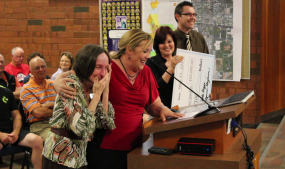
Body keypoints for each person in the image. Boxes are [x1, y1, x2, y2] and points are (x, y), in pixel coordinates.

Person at [54, 29, 184, 169]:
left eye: (149, 51)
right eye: (145, 51)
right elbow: (79, 74)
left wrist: (162, 109)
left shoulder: (146, 72)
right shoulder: (107, 68)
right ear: (129, 49)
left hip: (136, 145)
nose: (148, 56)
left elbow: (153, 103)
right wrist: (57, 81)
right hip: (105, 147)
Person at [42, 44, 115, 169]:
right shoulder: (71, 84)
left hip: (78, 157)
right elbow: (80, 127)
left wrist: (106, 90)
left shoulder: (90, 86)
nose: (103, 73)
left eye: (106, 68)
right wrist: (97, 95)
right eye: (98, 67)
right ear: (85, 65)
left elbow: (104, 121)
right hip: (59, 157)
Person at [0, 85, 43, 169]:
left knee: (37, 140)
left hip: (10, 130)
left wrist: (15, 132)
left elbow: (17, 116)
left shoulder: (7, 92)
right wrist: (0, 135)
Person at [146, 26, 184, 108]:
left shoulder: (181, 60)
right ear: (157, 45)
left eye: (169, 41)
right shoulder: (151, 63)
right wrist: (171, 69)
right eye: (162, 42)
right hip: (161, 111)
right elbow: (155, 90)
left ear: (174, 42)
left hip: (183, 108)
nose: (167, 45)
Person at [20, 58, 56, 141]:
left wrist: (49, 105)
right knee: (57, 140)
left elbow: (68, 105)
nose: (41, 70)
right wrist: (60, 110)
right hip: (40, 125)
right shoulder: (26, 89)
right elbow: (39, 113)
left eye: (43, 67)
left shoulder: (53, 84)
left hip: (59, 122)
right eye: (37, 68)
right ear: (31, 71)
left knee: (80, 135)